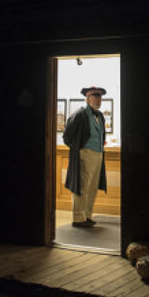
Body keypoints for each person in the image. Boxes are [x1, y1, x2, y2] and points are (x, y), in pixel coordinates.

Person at [62, 86, 108, 228]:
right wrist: (79, 148)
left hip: (98, 154)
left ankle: (87, 215)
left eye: (100, 96)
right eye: (95, 96)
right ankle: (78, 218)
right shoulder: (80, 114)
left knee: (93, 187)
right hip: (85, 154)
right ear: (88, 98)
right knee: (82, 186)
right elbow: (67, 136)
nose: (98, 99)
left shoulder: (100, 115)